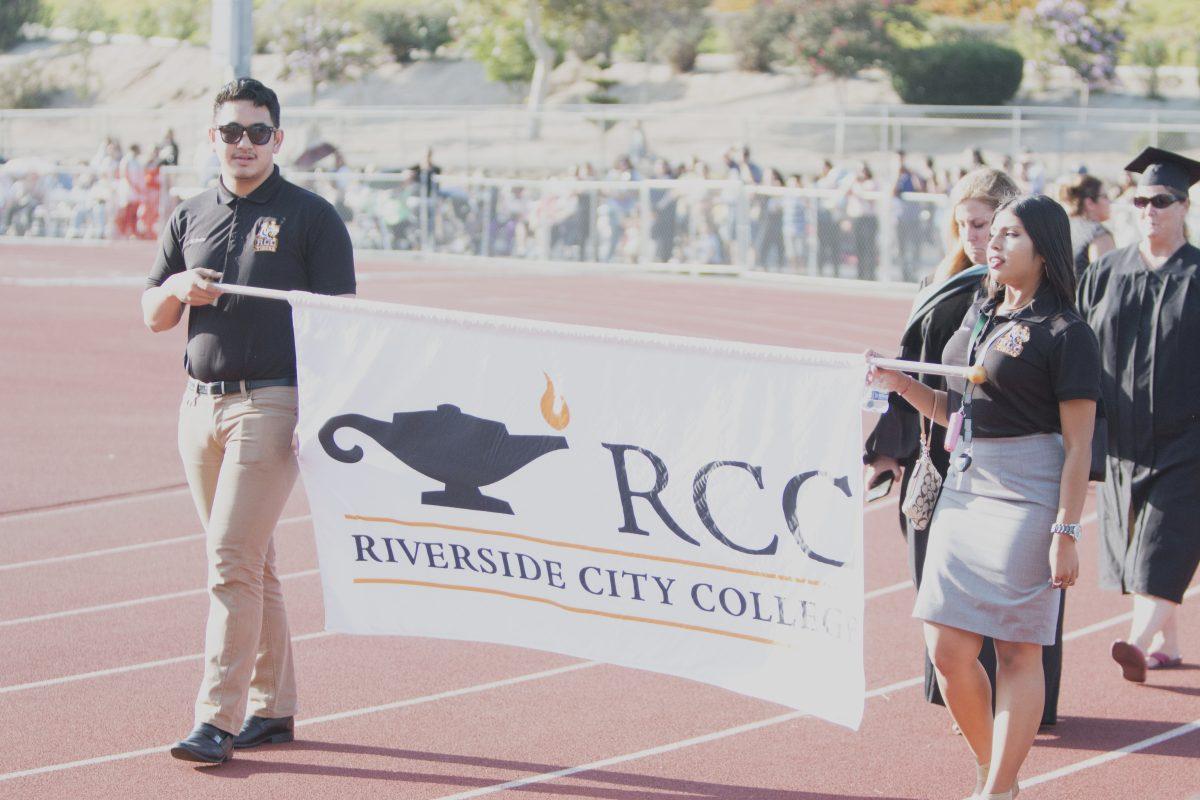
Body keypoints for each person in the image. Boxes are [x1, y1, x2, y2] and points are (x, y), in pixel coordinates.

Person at [141, 78, 356, 765]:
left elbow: (338, 328)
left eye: (257, 132)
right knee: (252, 563)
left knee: (229, 561)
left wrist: (317, 414)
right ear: (213, 139)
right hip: (198, 405)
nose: (243, 143)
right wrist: (176, 288)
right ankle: (273, 706)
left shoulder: (310, 217)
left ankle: (217, 720)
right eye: (231, 131)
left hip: (271, 402)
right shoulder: (190, 214)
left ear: (278, 140)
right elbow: (152, 314)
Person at [869, 194, 1101, 799]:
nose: (993, 245)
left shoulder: (1067, 333)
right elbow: (958, 412)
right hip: (966, 488)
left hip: (1030, 494)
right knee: (945, 648)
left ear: (1045, 250)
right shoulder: (985, 313)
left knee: (1018, 649)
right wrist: (901, 384)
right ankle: (997, 772)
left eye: (1010, 235)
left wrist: (1066, 531)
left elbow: (1079, 447)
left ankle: (996, 788)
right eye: (991, 233)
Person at [1076, 146, 1200, 684]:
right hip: (1121, 439)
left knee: (1162, 544)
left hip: (1187, 439)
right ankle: (1167, 645)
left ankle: (1136, 639)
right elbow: (1076, 345)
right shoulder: (1106, 272)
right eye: (1141, 199)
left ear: (1184, 207)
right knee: (1135, 548)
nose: (1149, 208)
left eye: (1162, 200)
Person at [1058, 173, 1114, 276]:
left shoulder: (1061, 227)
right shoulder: (1099, 235)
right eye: (1105, 196)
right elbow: (1104, 282)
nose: (1109, 201)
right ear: (1089, 203)